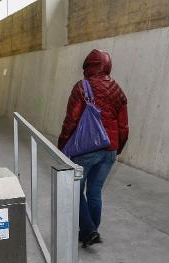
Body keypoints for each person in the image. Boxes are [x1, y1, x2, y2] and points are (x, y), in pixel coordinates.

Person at [58, 49, 129, 248]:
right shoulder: (118, 90)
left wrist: (62, 145)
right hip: (110, 150)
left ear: (90, 67)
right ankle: (91, 231)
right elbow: (123, 126)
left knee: (75, 191)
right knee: (95, 191)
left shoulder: (82, 87)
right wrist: (117, 149)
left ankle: (89, 232)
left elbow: (71, 120)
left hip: (87, 149)